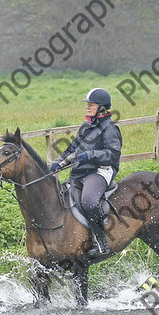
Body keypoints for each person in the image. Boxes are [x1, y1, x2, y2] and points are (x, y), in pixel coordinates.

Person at [50, 88, 122, 257]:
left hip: (100, 170)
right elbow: (72, 148)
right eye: (87, 104)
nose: (88, 107)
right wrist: (58, 162)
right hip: (82, 172)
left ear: (102, 107)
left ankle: (101, 242)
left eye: (91, 104)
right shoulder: (86, 125)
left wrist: (90, 155)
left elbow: (112, 155)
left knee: (89, 201)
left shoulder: (110, 128)